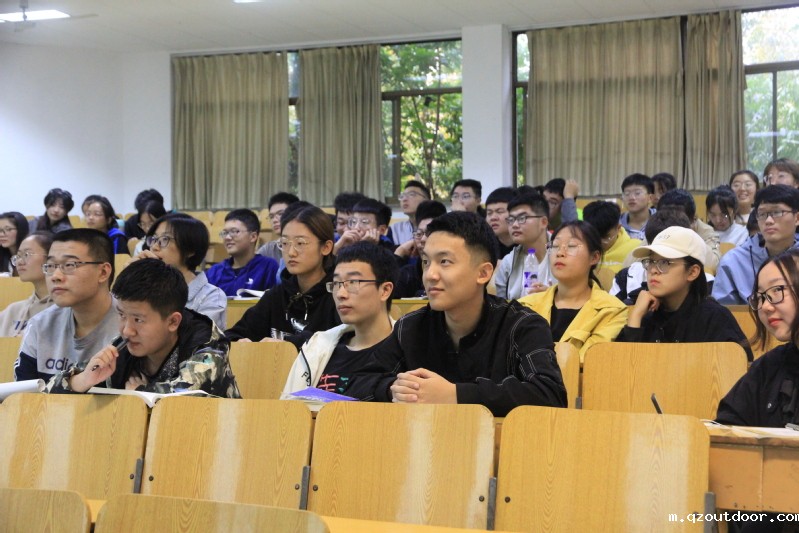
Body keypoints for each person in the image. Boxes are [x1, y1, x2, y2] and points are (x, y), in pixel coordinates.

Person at [346, 211, 567, 417]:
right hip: (425, 442)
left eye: (444, 262)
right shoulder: (412, 326)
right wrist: (393, 389)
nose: (430, 275)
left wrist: (456, 395)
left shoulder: (522, 325)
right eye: (426, 262)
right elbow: (357, 382)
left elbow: (550, 394)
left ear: (483, 273)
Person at [45, 259, 240, 398]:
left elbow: (184, 396)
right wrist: (83, 380)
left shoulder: (207, 344)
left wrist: (138, 394)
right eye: (122, 315)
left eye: (138, 319)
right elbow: (48, 390)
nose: (127, 331)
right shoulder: (123, 347)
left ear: (173, 322)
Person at [715, 249, 799, 533]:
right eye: (760, 297)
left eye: (776, 291)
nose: (765, 306)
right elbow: (728, 428)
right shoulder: (769, 366)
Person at [616, 226, 753, 361]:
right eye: (651, 262)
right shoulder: (646, 316)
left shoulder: (714, 318)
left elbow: (741, 365)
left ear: (692, 272)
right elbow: (622, 370)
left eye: (664, 262)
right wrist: (636, 315)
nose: (653, 270)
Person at [281, 242, 397, 396]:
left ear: (385, 290)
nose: (341, 294)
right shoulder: (317, 347)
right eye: (336, 284)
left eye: (353, 282)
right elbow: (290, 406)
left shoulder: (405, 350)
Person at [225, 205, 340, 348]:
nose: (291, 252)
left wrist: (287, 345)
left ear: (326, 247)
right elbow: (232, 335)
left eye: (300, 243)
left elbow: (345, 342)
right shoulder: (276, 296)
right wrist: (240, 343)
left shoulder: (340, 295)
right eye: (285, 243)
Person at [13, 229, 119, 382]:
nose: (55, 276)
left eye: (69, 265)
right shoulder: (40, 325)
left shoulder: (131, 326)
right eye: (50, 266)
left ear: (103, 272)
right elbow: (22, 393)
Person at [519, 221, 628, 362]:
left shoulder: (612, 311)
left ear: (594, 257)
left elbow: (587, 361)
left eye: (571, 246)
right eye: (555, 246)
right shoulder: (525, 307)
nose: (560, 253)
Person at [138, 213, 226, 330]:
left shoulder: (211, 297)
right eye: (153, 239)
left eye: (164, 239)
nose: (154, 247)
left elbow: (196, 336)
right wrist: (131, 279)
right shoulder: (144, 288)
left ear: (190, 249)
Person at [713, 185, 799, 305]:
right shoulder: (733, 261)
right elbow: (724, 311)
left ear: (797, 218)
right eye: (762, 214)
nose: (768, 221)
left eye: (777, 212)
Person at [206, 209, 279, 296]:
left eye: (234, 231)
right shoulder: (214, 272)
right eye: (225, 233)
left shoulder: (268, 267)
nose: (227, 237)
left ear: (253, 237)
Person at [495, 192, 554, 300]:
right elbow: (500, 306)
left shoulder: (563, 255)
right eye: (511, 220)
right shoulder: (508, 263)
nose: (514, 225)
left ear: (543, 222)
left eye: (522, 218)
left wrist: (553, 297)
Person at [0, 232, 54, 336]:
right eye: (18, 256)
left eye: (26, 255)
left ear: (51, 259)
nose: (19, 262)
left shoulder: (70, 309)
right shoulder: (13, 310)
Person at [657, 189, 720, 272]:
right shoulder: (659, 226)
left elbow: (715, 265)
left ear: (693, 219)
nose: (671, 225)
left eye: (677, 221)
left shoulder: (705, 230)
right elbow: (639, 261)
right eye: (667, 219)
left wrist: (691, 237)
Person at [394, 200, 447, 298]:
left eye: (429, 233)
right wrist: (399, 253)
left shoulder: (450, 271)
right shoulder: (409, 274)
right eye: (419, 234)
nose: (422, 240)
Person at [582, 200, 641, 274]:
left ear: (618, 228)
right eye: (594, 236)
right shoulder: (580, 249)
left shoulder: (636, 250)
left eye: (605, 237)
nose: (599, 242)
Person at [257, 192, 300, 262]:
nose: (274, 220)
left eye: (280, 214)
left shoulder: (308, 246)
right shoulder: (269, 249)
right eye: (271, 217)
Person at [390, 180, 430, 246]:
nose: (404, 199)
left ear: (426, 200)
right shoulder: (395, 229)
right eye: (402, 196)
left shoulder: (436, 227)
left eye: (411, 194)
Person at [618, 173, 655, 241]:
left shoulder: (662, 220)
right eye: (627, 194)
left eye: (637, 193)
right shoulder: (617, 224)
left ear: (650, 198)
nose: (631, 197)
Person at [484, 187, 518, 259]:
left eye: (500, 212)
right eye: (489, 213)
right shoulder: (485, 246)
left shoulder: (527, 245)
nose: (493, 218)